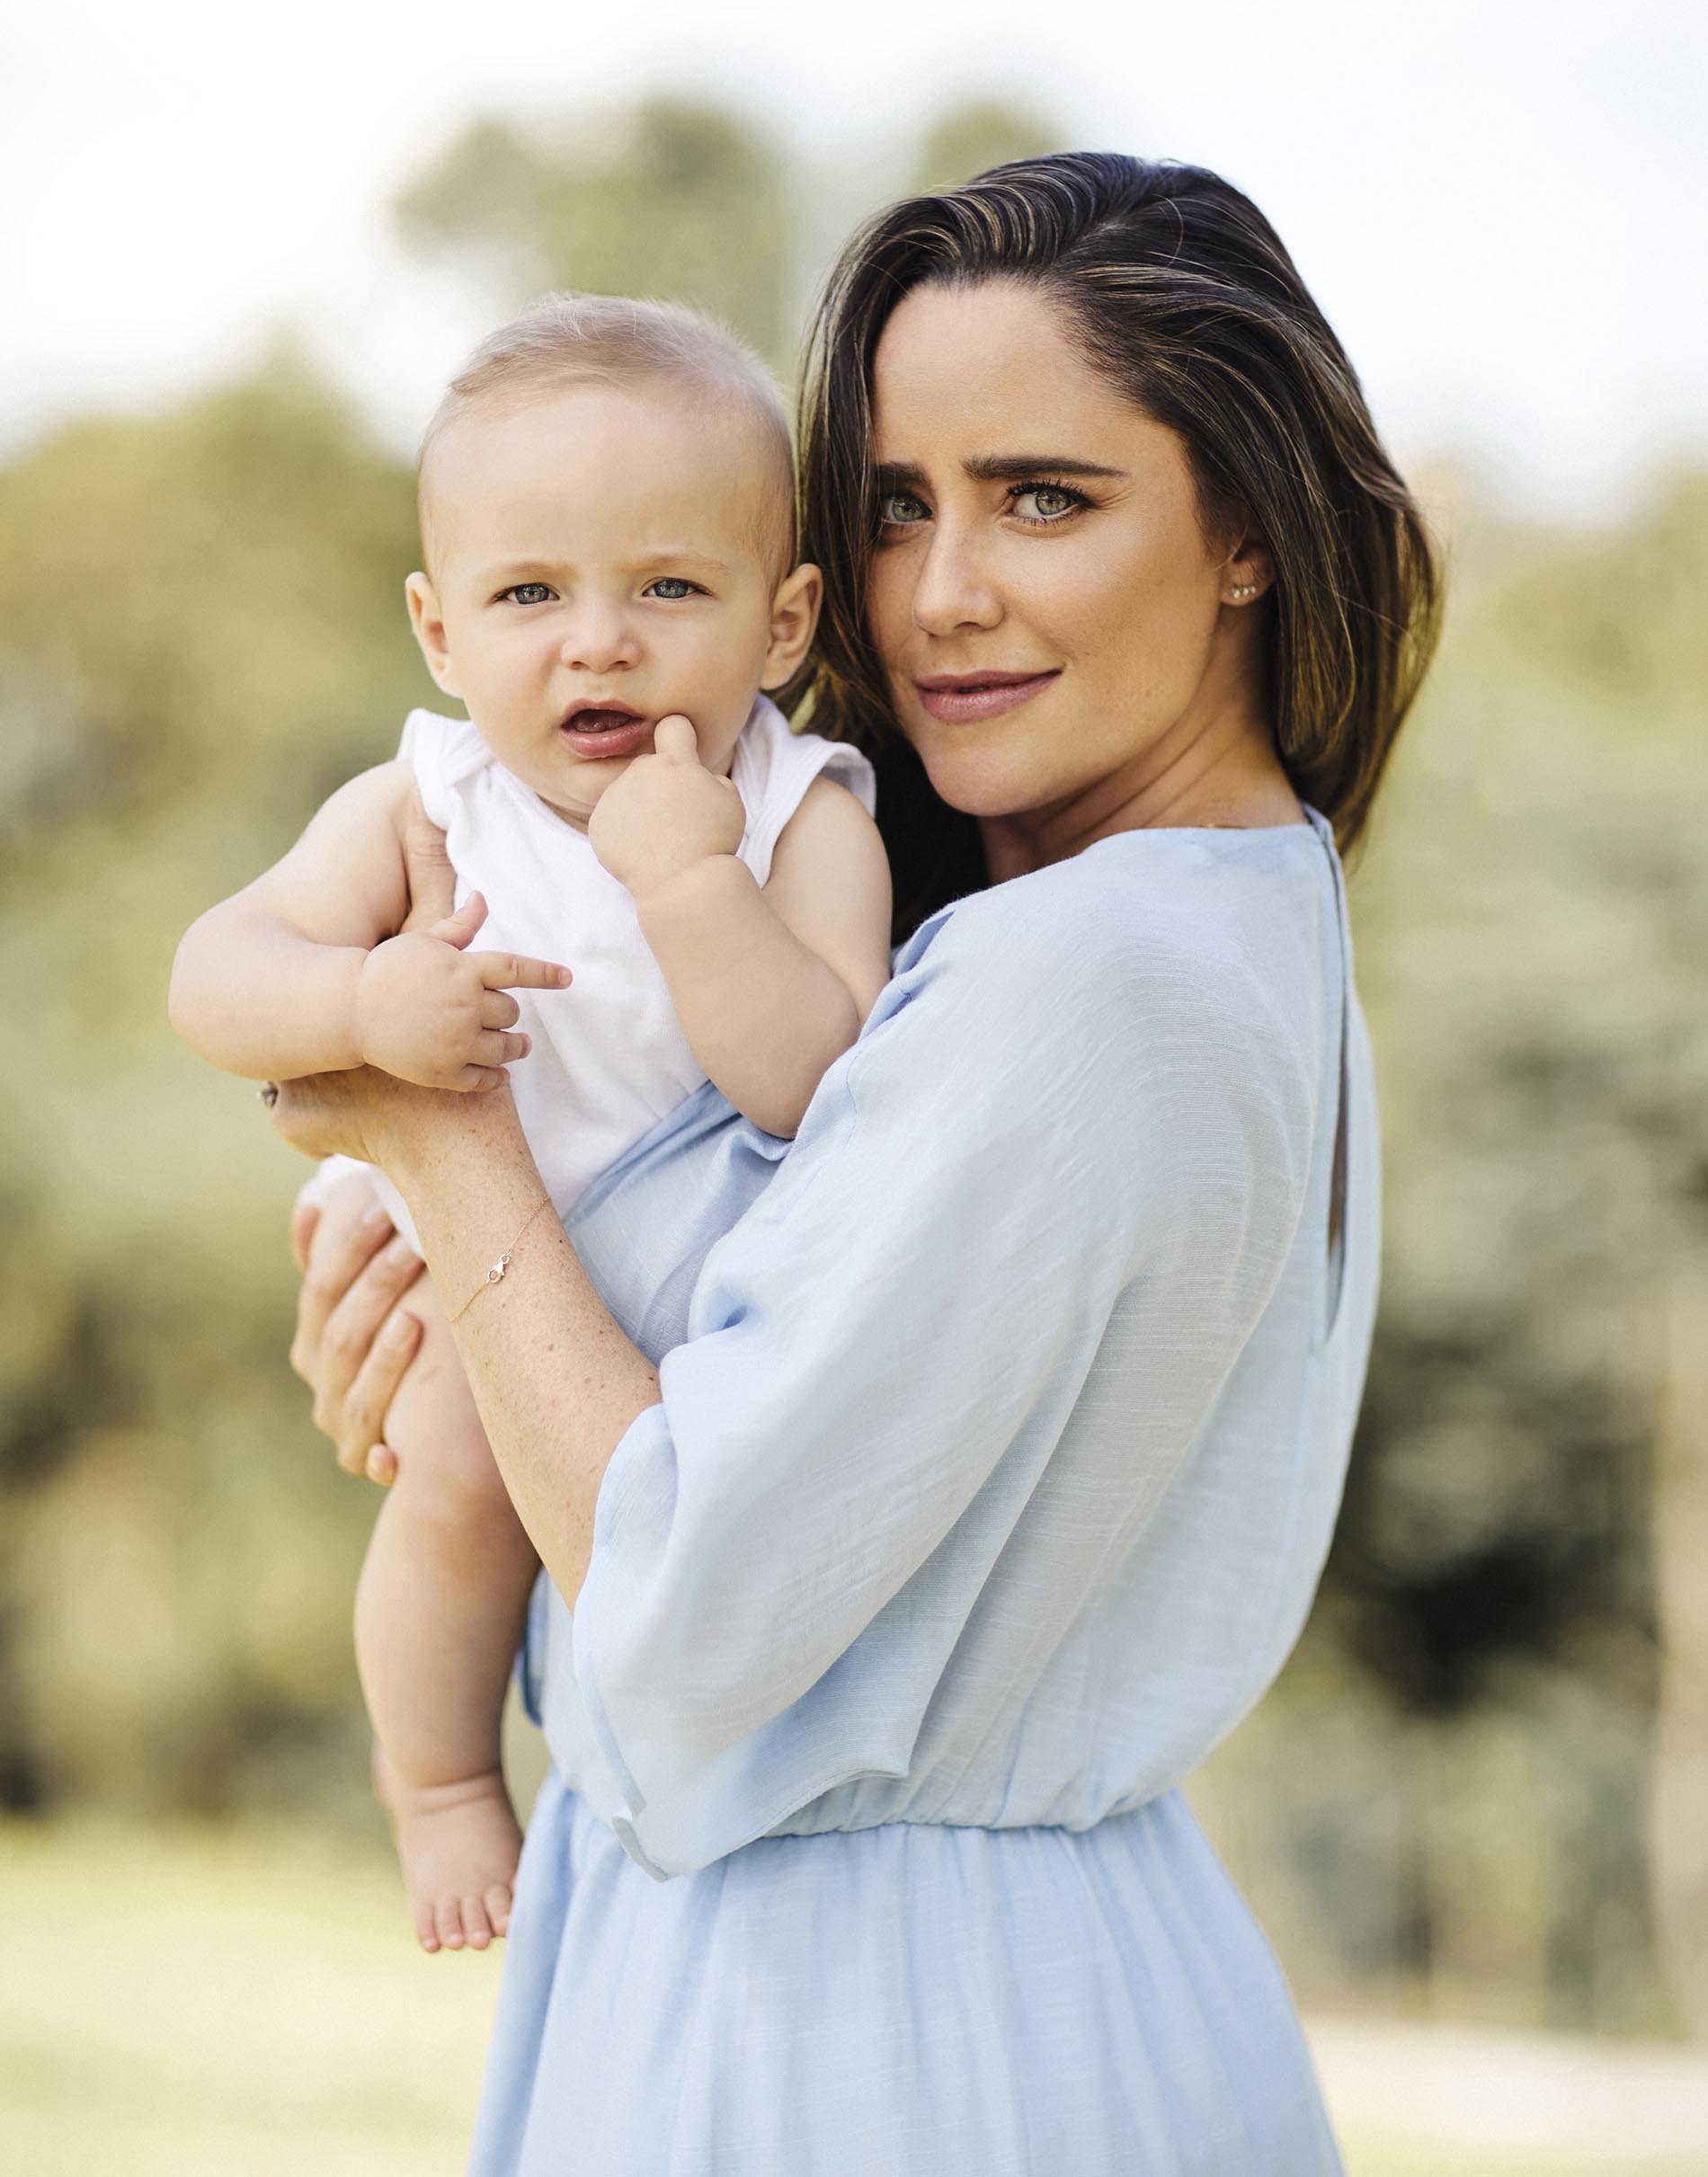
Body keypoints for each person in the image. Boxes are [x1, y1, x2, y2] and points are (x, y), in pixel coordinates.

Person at [275, 153, 1441, 2174]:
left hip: (872, 2041)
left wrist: (442, 1146)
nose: (938, 594)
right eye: (895, 506)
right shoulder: (1245, 919)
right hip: (1052, 1981)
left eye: (1042, 498)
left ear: (1246, 527)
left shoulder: (1063, 980)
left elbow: (679, 1636)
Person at [168, 297, 889, 1952]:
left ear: (782, 624)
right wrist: (358, 1011)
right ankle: (434, 1780)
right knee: (462, 1481)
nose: (600, 641)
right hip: (470, 1287)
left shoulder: (801, 813)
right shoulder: (430, 802)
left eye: (670, 589)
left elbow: (811, 1080)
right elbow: (218, 974)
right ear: (438, 631)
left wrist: (688, 874)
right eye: (529, 595)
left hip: (698, 1307)